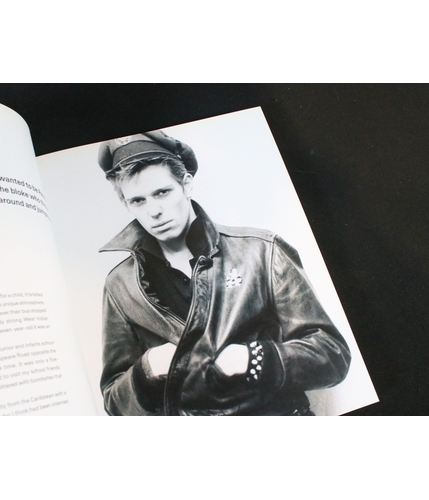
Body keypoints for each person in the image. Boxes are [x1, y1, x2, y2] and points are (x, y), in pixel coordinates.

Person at [98, 130, 351, 416]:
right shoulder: (120, 285)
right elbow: (113, 403)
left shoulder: (261, 251)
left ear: (186, 184)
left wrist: (255, 358)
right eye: (138, 200)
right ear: (125, 203)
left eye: (162, 192)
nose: (154, 211)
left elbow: (333, 355)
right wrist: (146, 371)